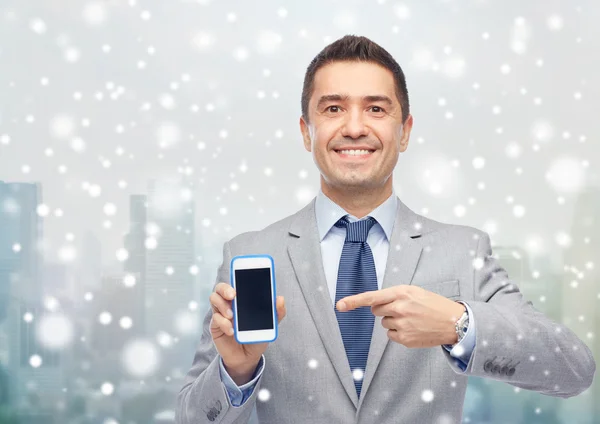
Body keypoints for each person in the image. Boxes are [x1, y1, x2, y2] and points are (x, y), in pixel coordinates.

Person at [175, 35, 596, 424]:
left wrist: (458, 324)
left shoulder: (463, 250)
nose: (354, 127)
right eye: (333, 108)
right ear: (306, 131)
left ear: (405, 131)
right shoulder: (249, 252)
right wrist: (237, 370)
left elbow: (573, 371)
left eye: (376, 109)